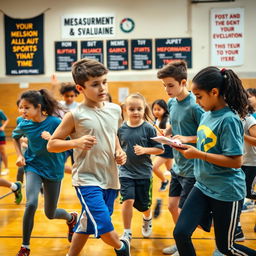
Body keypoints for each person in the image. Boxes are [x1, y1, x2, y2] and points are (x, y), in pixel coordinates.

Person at [47, 58, 130, 256]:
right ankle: (122, 247)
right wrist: (75, 142)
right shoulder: (74, 115)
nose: (102, 88)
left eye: (104, 82)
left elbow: (114, 136)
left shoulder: (115, 109)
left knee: (86, 223)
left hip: (111, 179)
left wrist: (120, 151)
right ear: (80, 88)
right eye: (95, 84)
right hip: (87, 180)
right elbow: (52, 144)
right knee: (104, 228)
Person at [173, 66, 256, 256]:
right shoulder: (206, 115)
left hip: (226, 191)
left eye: (199, 96)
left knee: (227, 247)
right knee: (181, 233)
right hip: (203, 186)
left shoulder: (229, 119)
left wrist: (198, 155)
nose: (196, 101)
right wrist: (185, 142)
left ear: (214, 92)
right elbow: (208, 141)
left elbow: (235, 161)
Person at [12, 89, 77, 256]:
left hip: (54, 169)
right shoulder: (24, 123)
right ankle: (25, 246)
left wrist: (54, 139)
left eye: (26, 108)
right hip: (33, 166)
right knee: (31, 203)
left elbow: (71, 142)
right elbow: (15, 137)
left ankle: (71, 218)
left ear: (38, 107)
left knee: (50, 213)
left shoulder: (55, 122)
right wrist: (20, 155)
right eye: (21, 107)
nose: (22, 111)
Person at [157, 61, 204, 255]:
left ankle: (226, 233)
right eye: (164, 85)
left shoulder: (196, 106)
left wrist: (187, 138)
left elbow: (207, 134)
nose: (167, 89)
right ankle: (181, 241)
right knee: (171, 206)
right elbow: (174, 125)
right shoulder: (171, 102)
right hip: (177, 167)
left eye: (170, 85)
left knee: (188, 214)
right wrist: (165, 133)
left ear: (183, 82)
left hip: (193, 168)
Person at [118, 93, 164, 242]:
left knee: (143, 206)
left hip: (144, 174)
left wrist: (145, 150)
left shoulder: (149, 128)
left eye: (139, 108)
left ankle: (147, 218)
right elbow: (117, 147)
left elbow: (160, 149)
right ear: (125, 109)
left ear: (144, 109)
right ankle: (127, 232)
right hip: (125, 172)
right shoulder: (121, 129)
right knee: (127, 201)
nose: (136, 112)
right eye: (132, 109)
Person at [151, 99, 173, 191]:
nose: (156, 111)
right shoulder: (156, 121)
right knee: (171, 169)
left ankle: (164, 181)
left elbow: (169, 133)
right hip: (160, 147)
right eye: (154, 109)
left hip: (167, 147)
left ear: (164, 109)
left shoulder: (168, 120)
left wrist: (164, 133)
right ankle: (178, 183)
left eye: (159, 109)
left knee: (154, 167)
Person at [0, 109, 10, 175]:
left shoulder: (0, 111)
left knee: (2, 151)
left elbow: (7, 119)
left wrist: (3, 127)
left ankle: (6, 168)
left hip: (0, 134)